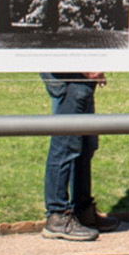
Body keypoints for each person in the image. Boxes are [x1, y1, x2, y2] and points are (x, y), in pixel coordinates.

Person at [40, 71, 107, 240]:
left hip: (80, 78)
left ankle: (82, 210)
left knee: (85, 145)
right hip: (70, 77)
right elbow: (57, 44)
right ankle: (58, 215)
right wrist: (86, 67)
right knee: (65, 145)